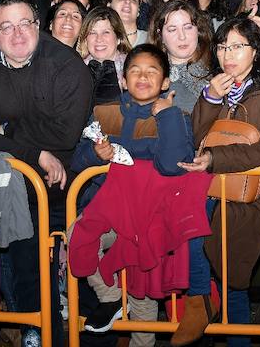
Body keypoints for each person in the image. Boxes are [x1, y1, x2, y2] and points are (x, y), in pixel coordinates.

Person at [0, 0, 93, 347]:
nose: (17, 34)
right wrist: (36, 152)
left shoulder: (66, 66)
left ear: (38, 25)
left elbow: (64, 135)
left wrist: (7, 129)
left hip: (70, 186)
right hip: (17, 188)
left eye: (24, 23)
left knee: (82, 273)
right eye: (6, 27)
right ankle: (37, 333)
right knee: (26, 267)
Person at [171, 17, 260, 347]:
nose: (228, 54)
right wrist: (210, 98)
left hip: (252, 191)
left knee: (231, 276)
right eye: (223, 46)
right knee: (226, 274)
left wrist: (216, 159)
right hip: (212, 186)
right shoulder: (217, 86)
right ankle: (200, 300)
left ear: (255, 51)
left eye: (237, 46)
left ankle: (201, 302)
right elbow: (197, 137)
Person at [70, 44, 198, 344]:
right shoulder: (103, 113)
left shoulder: (176, 117)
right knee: (78, 235)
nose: (142, 77)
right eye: (135, 71)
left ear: (165, 82)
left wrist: (166, 116)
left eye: (152, 71)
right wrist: (95, 154)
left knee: (142, 290)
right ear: (123, 79)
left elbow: (172, 165)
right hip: (107, 212)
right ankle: (111, 297)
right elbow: (77, 161)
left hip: (151, 219)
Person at [150, 0, 213, 115]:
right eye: (172, 29)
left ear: (198, 30)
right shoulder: (150, 75)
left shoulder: (217, 71)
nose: (182, 36)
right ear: (160, 36)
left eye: (188, 27)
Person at [78, 6, 131, 105]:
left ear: (118, 38)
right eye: (92, 33)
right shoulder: (76, 70)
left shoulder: (133, 68)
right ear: (85, 39)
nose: (99, 39)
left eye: (106, 32)